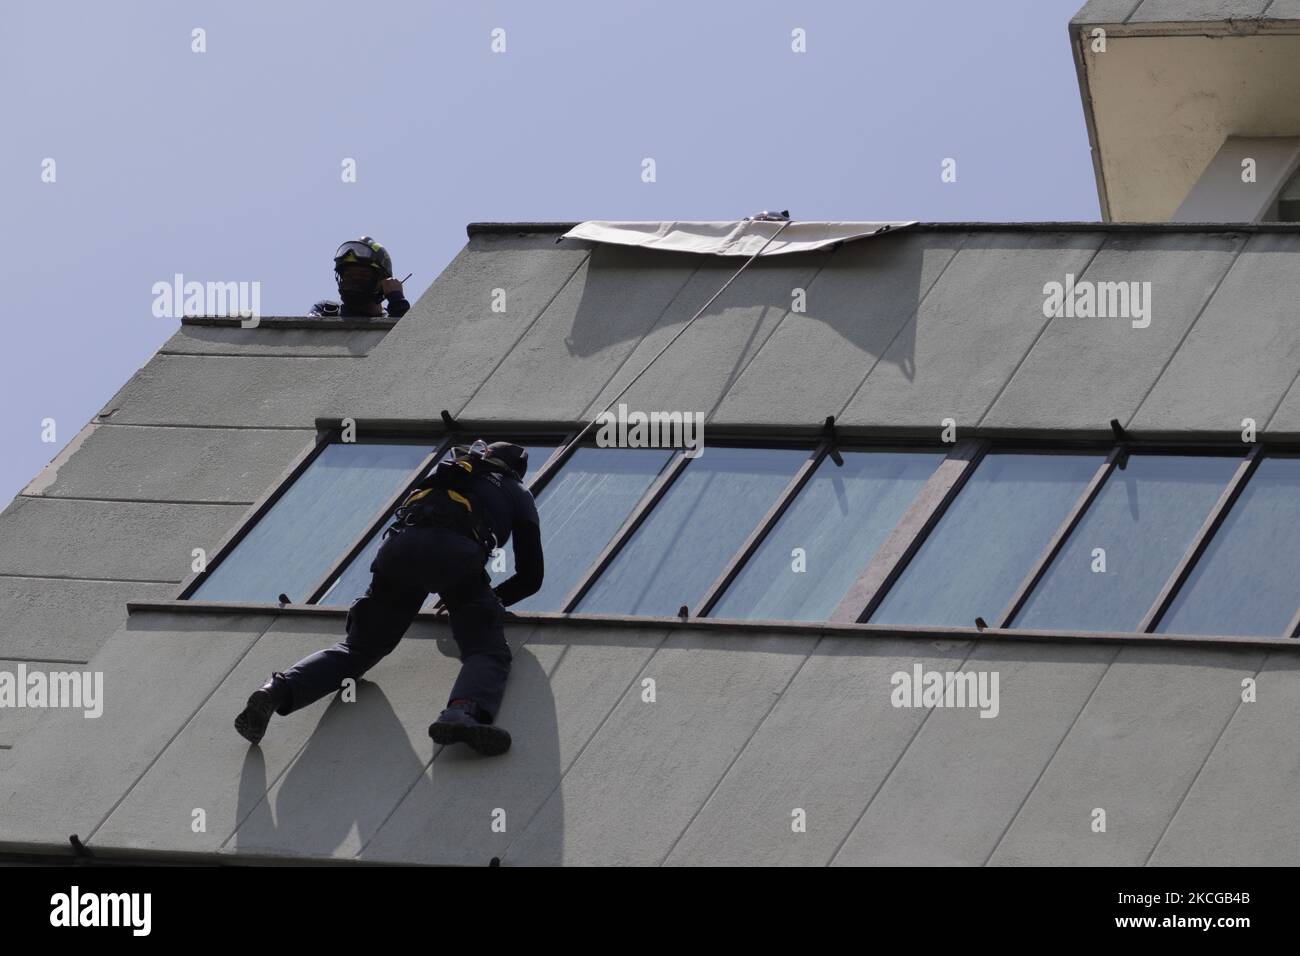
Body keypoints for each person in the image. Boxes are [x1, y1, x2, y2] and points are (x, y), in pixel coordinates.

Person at [235, 441, 543, 756]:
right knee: (486, 650)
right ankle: (462, 712)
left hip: (398, 551)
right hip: (455, 556)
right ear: (517, 471)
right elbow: (532, 578)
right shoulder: (518, 493)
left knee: (359, 649)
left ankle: (277, 689)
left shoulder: (449, 473)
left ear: (485, 456)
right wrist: (486, 600)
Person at [309, 236, 410, 318]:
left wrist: (397, 301)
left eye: (364, 275)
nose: (353, 282)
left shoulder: (393, 319)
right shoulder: (324, 311)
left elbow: (409, 336)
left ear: (383, 282)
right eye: (348, 275)